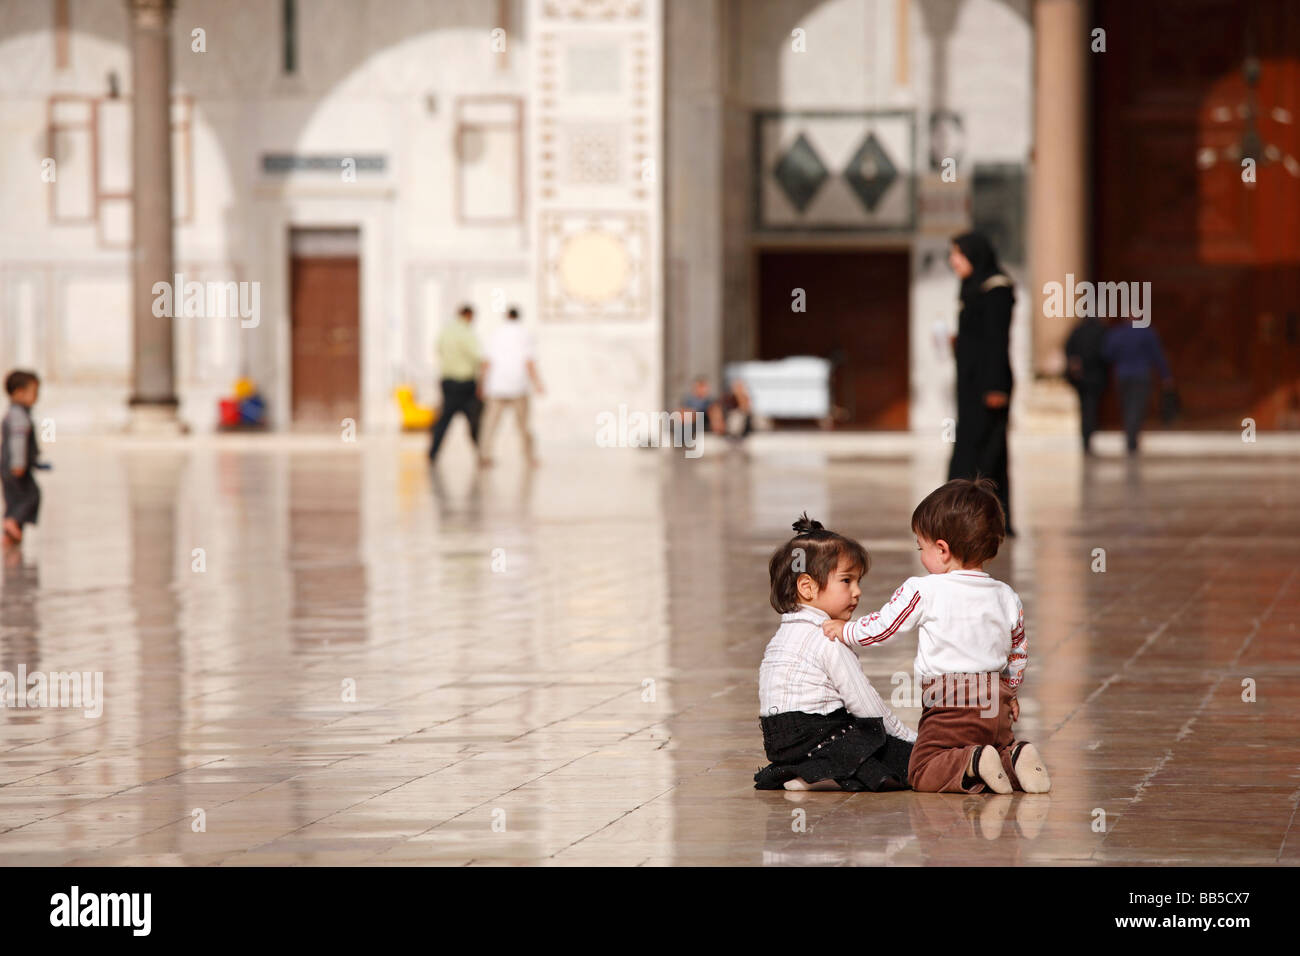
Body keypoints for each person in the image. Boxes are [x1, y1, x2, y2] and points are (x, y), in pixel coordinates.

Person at [821, 479, 1050, 794]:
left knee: (924, 766)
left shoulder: (924, 589)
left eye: (921, 546)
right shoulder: (1006, 595)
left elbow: (885, 627)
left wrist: (845, 630)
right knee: (995, 744)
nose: (920, 555)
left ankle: (971, 761)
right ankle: (1015, 755)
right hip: (994, 700)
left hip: (949, 700)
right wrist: (1009, 691)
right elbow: (1019, 650)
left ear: (942, 550)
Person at [754, 513, 917, 793]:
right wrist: (909, 740)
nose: (857, 592)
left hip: (780, 742)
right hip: (820, 735)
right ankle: (826, 775)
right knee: (902, 759)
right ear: (807, 587)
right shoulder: (828, 637)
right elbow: (866, 705)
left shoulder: (779, 638)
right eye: (846, 581)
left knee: (854, 745)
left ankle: (808, 772)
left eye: (858, 582)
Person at [947, 231, 1015, 535]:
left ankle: (980, 521)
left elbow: (997, 342)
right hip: (971, 384)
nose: (953, 261)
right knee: (973, 447)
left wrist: (996, 387)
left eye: (958, 255)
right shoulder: (971, 287)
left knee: (988, 453)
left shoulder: (996, 289)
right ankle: (965, 520)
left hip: (990, 386)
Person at [478, 306, 544, 467]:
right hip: (518, 385)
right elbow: (529, 362)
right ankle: (530, 457)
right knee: (523, 425)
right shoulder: (525, 334)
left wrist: (481, 383)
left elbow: (486, 362)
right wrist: (537, 383)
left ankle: (484, 455)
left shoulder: (495, 334)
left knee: (490, 423)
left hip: (496, 385)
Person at [1103, 319, 1174, 455]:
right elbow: (1157, 355)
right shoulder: (1146, 333)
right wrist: (1166, 375)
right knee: (1136, 407)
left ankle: (1131, 438)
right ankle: (1132, 440)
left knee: (1127, 406)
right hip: (1141, 374)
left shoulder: (1117, 333)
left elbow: (1108, 353)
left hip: (1122, 375)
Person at [429, 304, 482, 462]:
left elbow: (437, 349)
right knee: (475, 420)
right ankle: (481, 453)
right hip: (465, 383)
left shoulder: (446, 331)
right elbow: (477, 356)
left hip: (447, 381)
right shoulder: (466, 333)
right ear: (468, 315)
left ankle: (433, 452)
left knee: (444, 420)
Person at [2, 370, 43, 546]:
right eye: (34, 392)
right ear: (19, 392)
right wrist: (19, 463)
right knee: (32, 494)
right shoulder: (19, 415)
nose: (37, 397)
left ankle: (10, 534)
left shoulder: (15, 413)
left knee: (14, 499)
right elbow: (18, 441)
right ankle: (12, 522)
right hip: (16, 467)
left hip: (7, 466)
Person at [1064, 315, 1108, 455]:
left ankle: (1085, 440)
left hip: (1080, 378)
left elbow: (1068, 348)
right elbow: (1105, 352)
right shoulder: (1100, 332)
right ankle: (1087, 441)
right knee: (1091, 409)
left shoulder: (1078, 331)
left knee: (1085, 409)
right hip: (1094, 377)